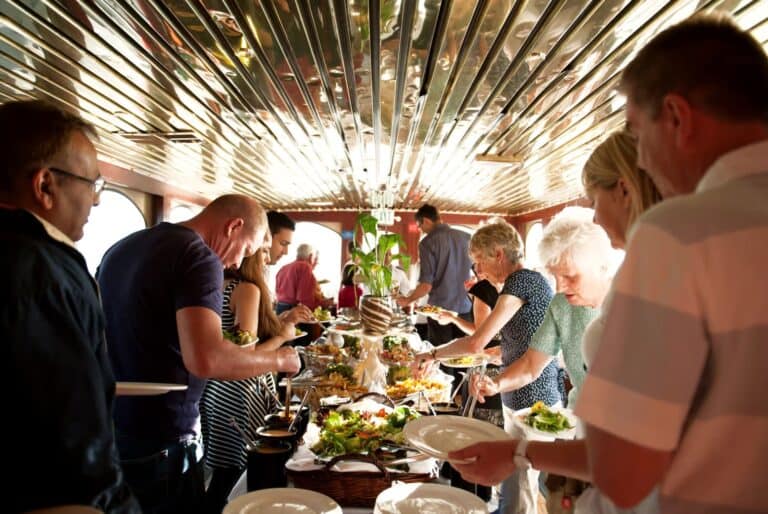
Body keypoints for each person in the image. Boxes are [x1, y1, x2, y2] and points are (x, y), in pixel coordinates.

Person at [575, 14, 768, 512]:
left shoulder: (678, 234)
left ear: (677, 118)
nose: (639, 161)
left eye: (638, 136)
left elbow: (622, 475)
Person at [98, 194, 301, 514]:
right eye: (247, 250)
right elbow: (208, 359)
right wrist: (281, 358)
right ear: (234, 226)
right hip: (168, 437)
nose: (236, 264)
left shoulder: (123, 247)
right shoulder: (199, 256)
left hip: (116, 427)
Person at [0, 100, 139, 513]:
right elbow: (75, 447)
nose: (96, 202)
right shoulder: (40, 270)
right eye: (92, 184)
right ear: (45, 186)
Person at [417, 221, 558, 514]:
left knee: (520, 491)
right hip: (521, 396)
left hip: (532, 399)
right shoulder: (525, 283)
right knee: (514, 486)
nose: (479, 272)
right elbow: (521, 339)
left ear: (498, 254)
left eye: (479, 262)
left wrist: (431, 355)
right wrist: (499, 353)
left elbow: (476, 342)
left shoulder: (520, 281)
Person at [470, 207, 608, 410]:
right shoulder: (561, 304)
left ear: (602, 266)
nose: (560, 287)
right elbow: (530, 365)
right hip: (580, 416)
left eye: (570, 276)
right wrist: (496, 384)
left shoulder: (635, 306)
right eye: (555, 275)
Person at [200, 242, 297, 514]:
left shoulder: (215, 286)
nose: (268, 257)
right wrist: (282, 338)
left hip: (214, 389)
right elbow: (245, 355)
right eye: (264, 251)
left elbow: (226, 343)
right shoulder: (247, 289)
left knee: (221, 469)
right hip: (241, 392)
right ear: (252, 255)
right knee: (243, 473)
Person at [396, 204, 473, 346]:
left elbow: (426, 285)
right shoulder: (466, 237)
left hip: (439, 311)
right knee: (463, 356)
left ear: (426, 220)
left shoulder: (427, 243)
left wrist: (408, 300)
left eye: (419, 225)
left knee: (442, 356)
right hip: (465, 308)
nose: (420, 229)